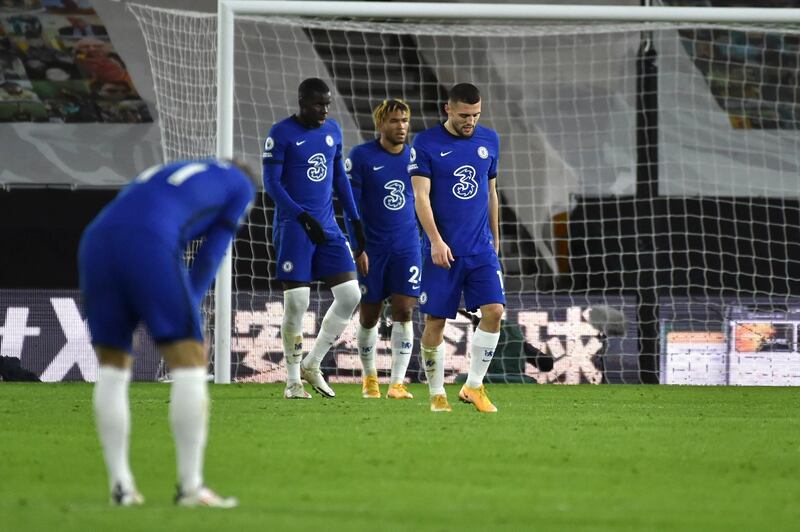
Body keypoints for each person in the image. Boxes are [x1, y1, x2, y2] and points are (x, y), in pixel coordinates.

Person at [78, 159, 257, 507]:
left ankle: (121, 486)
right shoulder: (241, 185)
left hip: (95, 239)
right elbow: (211, 254)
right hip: (149, 242)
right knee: (189, 358)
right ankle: (190, 488)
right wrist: (186, 308)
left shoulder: (170, 169)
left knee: (112, 367)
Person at [262, 77, 365, 400]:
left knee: (350, 295)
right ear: (302, 102)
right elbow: (272, 184)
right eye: (317, 104)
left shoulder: (332, 131)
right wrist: (301, 217)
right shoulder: (281, 134)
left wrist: (355, 221)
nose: (323, 111)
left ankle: (313, 362)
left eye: (327, 105)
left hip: (328, 227)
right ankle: (293, 381)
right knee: (297, 302)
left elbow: (339, 180)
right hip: (294, 226)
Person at [409, 83, 505, 413]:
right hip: (442, 250)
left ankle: (474, 387)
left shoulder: (489, 140)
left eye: (476, 115)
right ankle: (437, 393)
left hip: (480, 248)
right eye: (465, 115)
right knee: (435, 322)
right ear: (447, 109)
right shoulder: (425, 143)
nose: (471, 122)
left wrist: (496, 236)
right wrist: (435, 240)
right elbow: (420, 197)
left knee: (494, 312)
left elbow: (491, 192)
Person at [345, 99, 419, 399]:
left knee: (404, 310)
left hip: (407, 246)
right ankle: (369, 377)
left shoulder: (416, 157)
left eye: (404, 120)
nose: (400, 126)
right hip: (372, 249)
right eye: (393, 121)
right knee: (370, 314)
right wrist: (358, 247)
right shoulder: (361, 157)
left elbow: (426, 201)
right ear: (380, 124)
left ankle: (398, 383)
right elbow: (351, 209)